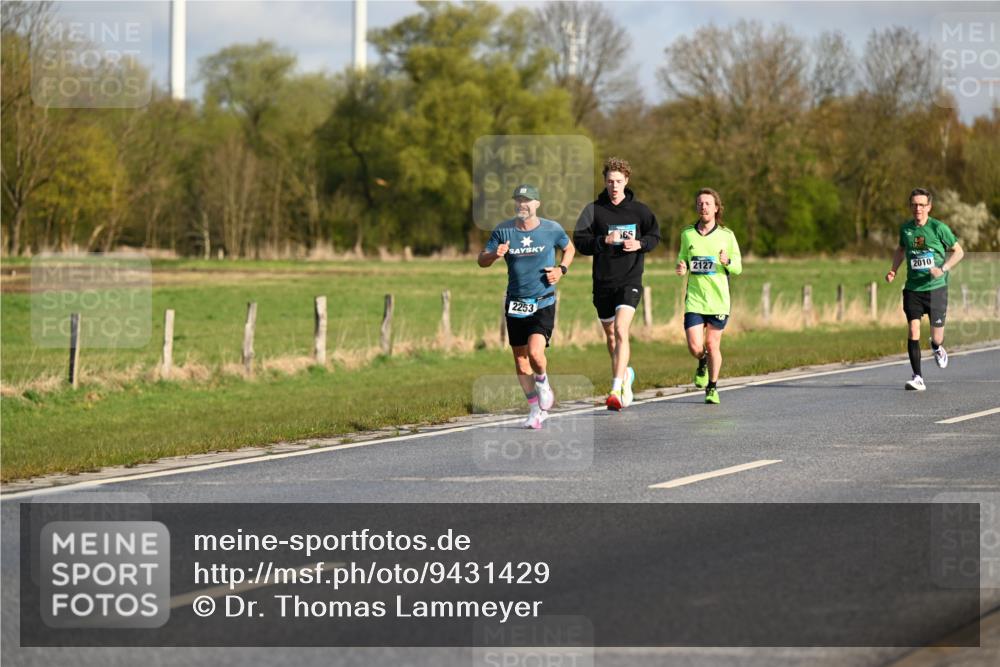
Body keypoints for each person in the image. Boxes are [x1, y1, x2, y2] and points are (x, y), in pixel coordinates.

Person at [480, 184, 575, 428]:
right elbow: (481, 260)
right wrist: (495, 254)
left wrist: (561, 269)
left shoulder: (551, 229)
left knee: (535, 353)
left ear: (537, 204)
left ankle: (543, 381)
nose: (522, 204)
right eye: (519, 200)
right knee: (521, 361)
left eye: (527, 200)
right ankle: (535, 409)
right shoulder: (503, 230)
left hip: (543, 301)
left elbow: (569, 248)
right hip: (515, 302)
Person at [573, 158, 661, 411]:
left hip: (630, 280)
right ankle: (625, 376)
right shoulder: (593, 210)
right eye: (610, 181)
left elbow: (655, 236)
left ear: (626, 181)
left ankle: (615, 389)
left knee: (622, 330)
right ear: (604, 181)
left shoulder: (640, 211)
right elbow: (580, 242)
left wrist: (640, 244)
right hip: (603, 283)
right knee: (611, 337)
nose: (614, 186)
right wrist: (604, 240)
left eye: (619, 181)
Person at [885, 188, 964, 391]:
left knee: (937, 337)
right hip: (913, 289)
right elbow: (901, 249)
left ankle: (936, 346)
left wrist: (943, 269)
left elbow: (958, 252)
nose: (917, 209)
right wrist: (893, 270)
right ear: (910, 206)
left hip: (937, 289)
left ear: (929, 207)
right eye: (914, 205)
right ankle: (918, 377)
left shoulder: (939, 228)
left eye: (921, 205)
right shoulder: (906, 229)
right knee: (913, 330)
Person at [675, 188, 743, 404]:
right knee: (695, 347)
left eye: (707, 203)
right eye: (700, 203)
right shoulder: (687, 234)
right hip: (695, 299)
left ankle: (712, 388)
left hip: (718, 300)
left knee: (713, 344)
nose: (703, 207)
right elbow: (683, 258)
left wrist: (727, 262)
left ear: (716, 208)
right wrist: (682, 267)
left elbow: (738, 267)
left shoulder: (727, 235)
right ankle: (702, 361)